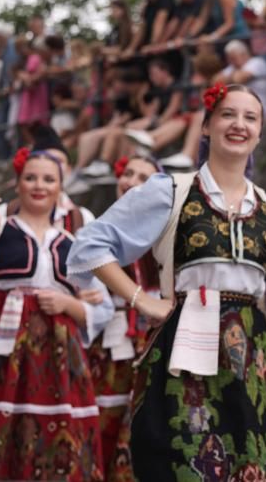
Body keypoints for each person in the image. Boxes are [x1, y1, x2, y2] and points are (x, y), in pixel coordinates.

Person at [67, 83, 266, 481]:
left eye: (250, 117)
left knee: (260, 464)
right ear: (206, 126)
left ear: (260, 133)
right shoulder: (171, 191)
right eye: (228, 115)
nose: (239, 124)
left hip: (251, 359)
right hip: (182, 350)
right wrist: (140, 299)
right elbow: (89, 245)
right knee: (179, 460)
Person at [0, 148, 113, 480]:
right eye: (30, 177)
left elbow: (101, 305)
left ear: (60, 187)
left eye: (49, 179)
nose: (39, 185)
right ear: (17, 183)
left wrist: (69, 305)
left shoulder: (73, 241)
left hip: (57, 355)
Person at [85, 154, 163, 481]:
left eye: (142, 177)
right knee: (102, 420)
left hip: (151, 340)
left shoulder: (163, 235)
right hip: (108, 340)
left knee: (143, 424)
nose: (131, 181)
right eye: (128, 173)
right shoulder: (98, 230)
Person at [216, 40, 266, 117]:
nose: (230, 61)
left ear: (243, 54)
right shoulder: (233, 67)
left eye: (233, 58)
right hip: (239, 110)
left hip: (259, 110)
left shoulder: (257, 62)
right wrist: (233, 75)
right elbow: (216, 81)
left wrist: (229, 77)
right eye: (229, 58)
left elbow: (239, 79)